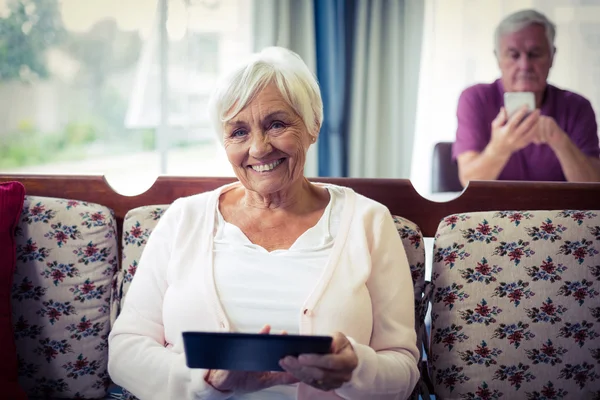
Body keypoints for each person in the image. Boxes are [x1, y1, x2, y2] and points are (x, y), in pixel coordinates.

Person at [108, 46, 420, 400]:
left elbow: (403, 369)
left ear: (313, 126)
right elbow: (125, 351)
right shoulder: (184, 219)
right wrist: (207, 382)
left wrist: (356, 370)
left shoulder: (368, 221)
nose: (258, 148)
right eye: (238, 132)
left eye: (277, 124)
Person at [453, 9, 600, 187]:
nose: (524, 65)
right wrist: (499, 149)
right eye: (514, 55)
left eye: (535, 54)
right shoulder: (475, 99)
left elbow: (594, 187)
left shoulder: (578, 106)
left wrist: (561, 143)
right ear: (498, 59)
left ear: (552, 56)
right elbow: (467, 179)